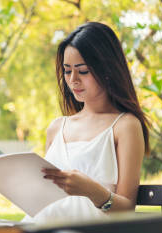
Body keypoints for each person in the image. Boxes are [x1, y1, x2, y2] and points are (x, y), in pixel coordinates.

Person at [21, 22, 149, 224]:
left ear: (106, 70)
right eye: (67, 70)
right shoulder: (56, 128)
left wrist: (92, 191)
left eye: (83, 71)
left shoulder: (125, 126)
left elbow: (126, 209)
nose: (73, 80)